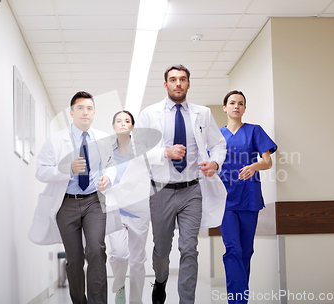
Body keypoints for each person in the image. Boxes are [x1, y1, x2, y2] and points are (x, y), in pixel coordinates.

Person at [133, 64, 227, 304]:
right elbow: (138, 150)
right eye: (173, 79)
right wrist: (165, 152)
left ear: (188, 83)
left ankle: (187, 301)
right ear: (165, 84)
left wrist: (215, 163)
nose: (178, 83)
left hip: (192, 190)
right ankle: (161, 281)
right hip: (161, 190)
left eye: (182, 79)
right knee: (161, 251)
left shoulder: (202, 113)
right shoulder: (149, 113)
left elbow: (218, 144)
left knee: (189, 248)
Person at [28, 91, 117, 304]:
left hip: (94, 202)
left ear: (94, 113)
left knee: (96, 250)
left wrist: (108, 178)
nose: (84, 112)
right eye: (80, 108)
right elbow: (41, 171)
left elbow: (113, 165)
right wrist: (67, 169)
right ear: (71, 113)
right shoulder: (56, 140)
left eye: (88, 108)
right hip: (66, 204)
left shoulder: (104, 139)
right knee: (74, 260)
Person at [218, 90, 277, 304]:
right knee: (232, 249)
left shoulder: (254, 131)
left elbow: (268, 162)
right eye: (232, 103)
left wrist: (254, 166)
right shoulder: (216, 136)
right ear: (225, 107)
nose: (236, 106)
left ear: (244, 108)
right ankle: (237, 301)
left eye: (240, 103)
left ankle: (240, 298)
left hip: (248, 197)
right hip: (224, 199)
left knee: (245, 251)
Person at [107, 110, 150, 304]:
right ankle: (120, 286)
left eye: (127, 121)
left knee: (137, 261)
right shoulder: (106, 151)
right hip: (115, 209)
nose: (123, 123)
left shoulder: (142, 149)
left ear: (132, 126)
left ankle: (135, 300)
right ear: (114, 126)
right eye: (119, 121)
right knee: (118, 254)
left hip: (139, 210)